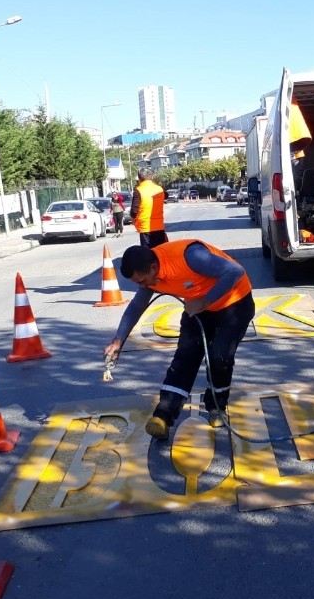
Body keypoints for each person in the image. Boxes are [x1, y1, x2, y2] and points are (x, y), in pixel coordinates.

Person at [103, 239, 255, 439]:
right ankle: (163, 416)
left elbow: (234, 271)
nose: (143, 286)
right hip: (199, 307)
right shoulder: (150, 275)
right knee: (185, 357)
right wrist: (118, 340)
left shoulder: (191, 256)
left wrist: (204, 301)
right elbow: (136, 307)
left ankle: (217, 407)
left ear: (153, 267)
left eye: (141, 281)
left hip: (234, 303)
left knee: (219, 357)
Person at [129, 167, 168, 247]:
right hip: (159, 227)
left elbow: (133, 212)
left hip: (145, 228)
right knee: (160, 253)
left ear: (139, 178)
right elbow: (166, 195)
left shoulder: (139, 190)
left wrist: (134, 222)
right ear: (152, 177)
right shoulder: (159, 189)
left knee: (148, 254)